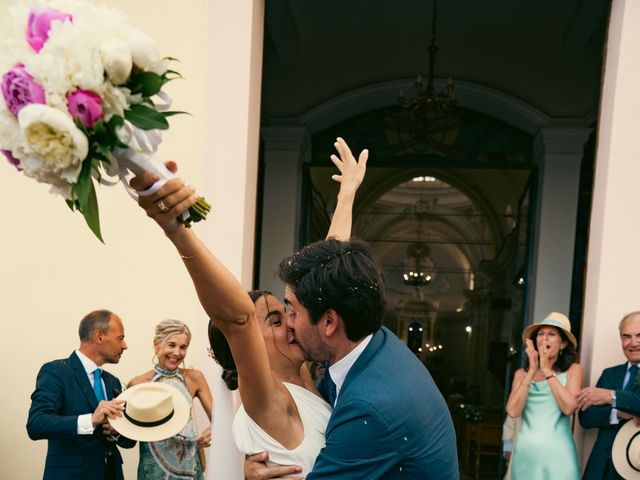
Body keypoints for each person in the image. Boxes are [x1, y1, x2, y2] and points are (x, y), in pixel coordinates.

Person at [131, 137, 366, 477]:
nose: (291, 322)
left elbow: (325, 280)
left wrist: (347, 195)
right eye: (273, 319)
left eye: (285, 313)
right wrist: (176, 230)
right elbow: (238, 319)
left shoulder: (304, 373)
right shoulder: (266, 398)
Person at [26, 309, 134, 480]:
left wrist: (116, 432)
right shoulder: (56, 371)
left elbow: (129, 441)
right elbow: (36, 424)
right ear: (99, 336)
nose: (125, 346)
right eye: (120, 338)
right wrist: (90, 420)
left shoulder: (113, 382)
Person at [128, 319, 213, 479]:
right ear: (156, 344)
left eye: (183, 347)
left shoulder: (195, 378)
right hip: (153, 469)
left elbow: (219, 420)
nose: (177, 352)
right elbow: (129, 432)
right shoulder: (138, 383)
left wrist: (213, 430)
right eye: (172, 345)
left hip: (190, 468)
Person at [505, 312, 583, 480]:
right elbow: (512, 411)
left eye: (551, 334)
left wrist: (547, 371)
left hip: (559, 458)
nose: (544, 339)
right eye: (541, 334)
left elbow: (569, 408)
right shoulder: (521, 374)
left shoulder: (573, 371)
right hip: (526, 457)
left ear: (562, 344)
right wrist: (532, 370)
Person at [578, 311, 640, 480]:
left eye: (639, 335)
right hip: (600, 470)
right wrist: (618, 413)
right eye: (626, 336)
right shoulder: (610, 374)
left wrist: (610, 397)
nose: (633, 343)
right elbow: (586, 417)